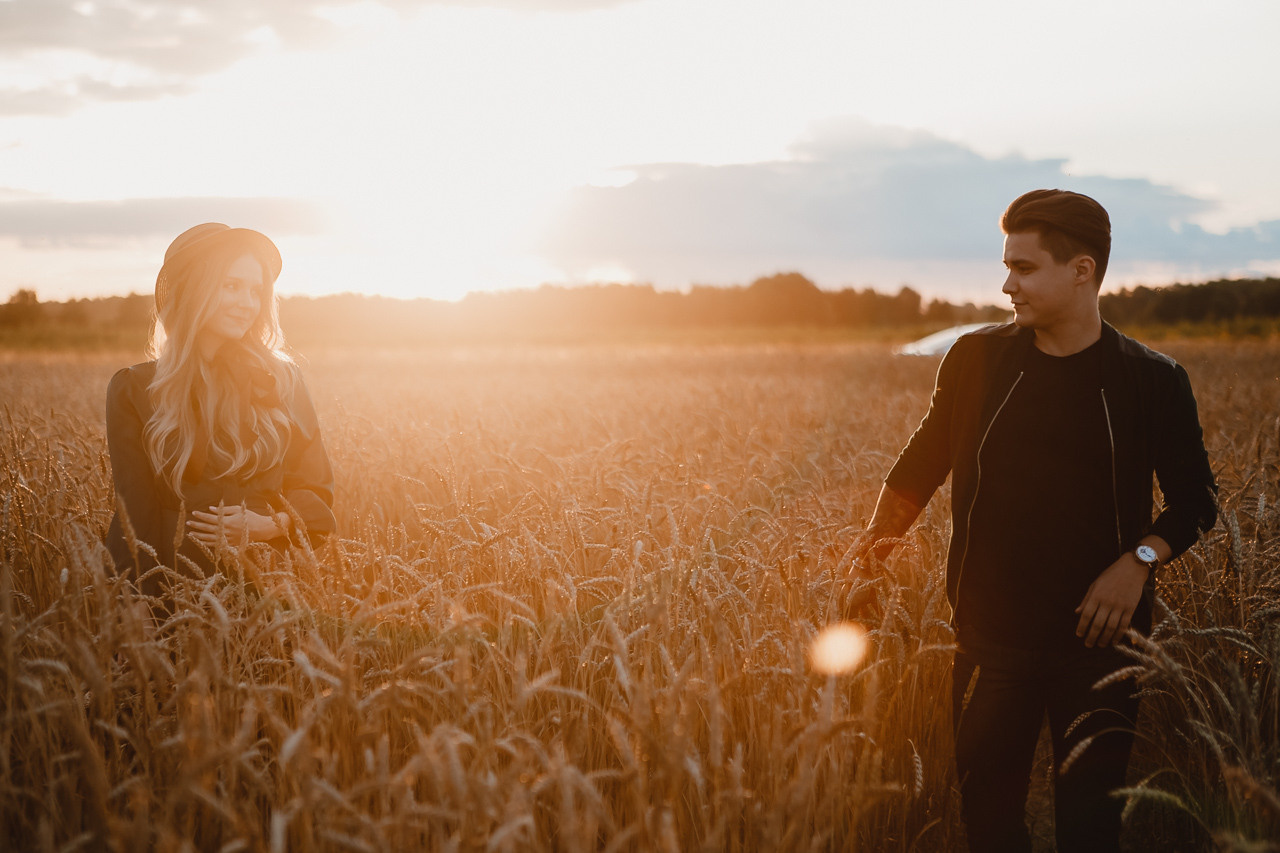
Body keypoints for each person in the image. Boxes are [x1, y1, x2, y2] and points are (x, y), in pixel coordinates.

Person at [843, 189, 1217, 852]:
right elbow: (920, 465)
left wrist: (1140, 561)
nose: (1007, 284)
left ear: (1081, 270)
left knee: (1090, 827)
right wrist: (871, 555)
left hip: (1102, 647)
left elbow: (1196, 502)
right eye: (1006, 264)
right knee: (988, 826)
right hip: (990, 641)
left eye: (1024, 267)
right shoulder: (975, 360)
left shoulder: (1151, 380)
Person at [106, 223, 336, 602]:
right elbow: (135, 515)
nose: (247, 302)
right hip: (171, 588)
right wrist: (145, 615)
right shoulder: (133, 388)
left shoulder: (280, 380)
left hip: (268, 585)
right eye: (231, 285)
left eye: (256, 291)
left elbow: (315, 486)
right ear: (195, 289)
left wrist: (269, 525)